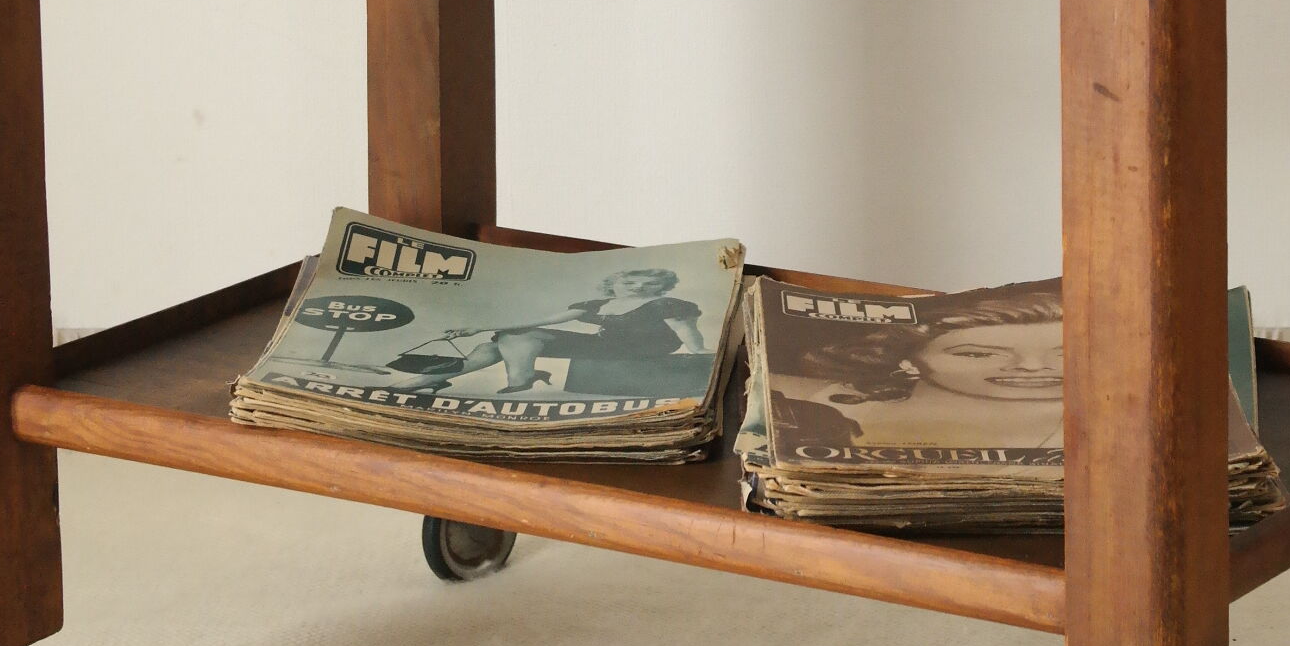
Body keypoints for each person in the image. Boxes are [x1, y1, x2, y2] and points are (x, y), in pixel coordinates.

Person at [772, 286, 1063, 452]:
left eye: (1068, 354)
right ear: (907, 359)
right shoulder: (822, 403)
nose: (1032, 367)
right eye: (978, 353)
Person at [381, 264, 708, 398]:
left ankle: (519, 383)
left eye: (648, 282)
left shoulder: (669, 305)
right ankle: (433, 378)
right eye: (629, 281)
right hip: (601, 346)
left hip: (643, 352)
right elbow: (548, 320)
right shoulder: (595, 303)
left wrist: (700, 356)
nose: (638, 286)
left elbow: (690, 336)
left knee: (511, 340)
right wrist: (476, 327)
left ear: (660, 286)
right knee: (509, 338)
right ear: (615, 284)